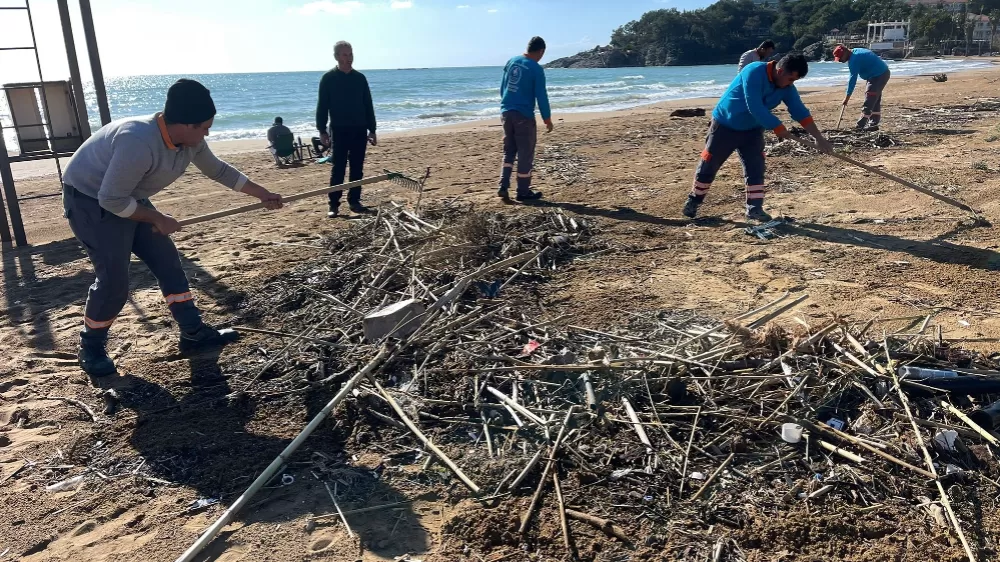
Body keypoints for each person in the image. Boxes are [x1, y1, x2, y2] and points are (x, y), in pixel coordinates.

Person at [61, 79, 284, 377]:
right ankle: (91, 347)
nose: (208, 133)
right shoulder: (138, 141)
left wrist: (261, 193)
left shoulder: (190, 142)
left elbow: (218, 170)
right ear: (186, 125)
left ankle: (192, 331)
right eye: (204, 127)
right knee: (114, 282)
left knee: (167, 262)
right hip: (90, 200)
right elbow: (110, 200)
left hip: (127, 196)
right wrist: (156, 218)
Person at [683, 54, 834, 222]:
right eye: (790, 79)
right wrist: (777, 127)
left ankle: (755, 208)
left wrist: (819, 138)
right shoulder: (754, 71)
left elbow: (800, 112)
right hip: (725, 125)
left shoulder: (787, 88)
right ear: (780, 70)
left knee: (756, 167)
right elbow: (754, 105)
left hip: (753, 130)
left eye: (794, 81)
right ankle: (694, 200)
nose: (791, 84)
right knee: (709, 163)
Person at [316, 40, 377, 217]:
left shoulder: (360, 78)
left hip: (359, 129)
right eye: (345, 54)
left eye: (350, 54)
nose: (349, 58)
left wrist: (372, 129)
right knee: (338, 168)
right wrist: (322, 130)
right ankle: (334, 204)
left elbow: (368, 105)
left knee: (357, 168)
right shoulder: (328, 78)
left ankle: (354, 201)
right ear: (336, 56)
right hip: (339, 129)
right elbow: (322, 106)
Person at [498, 36, 552, 202]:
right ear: (541, 51)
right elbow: (541, 95)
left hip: (506, 112)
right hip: (524, 115)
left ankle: (503, 185)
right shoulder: (536, 68)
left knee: (509, 150)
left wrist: (505, 105)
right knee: (525, 153)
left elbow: (503, 86)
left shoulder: (512, 61)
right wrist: (547, 118)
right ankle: (523, 191)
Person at [833, 45, 890, 131]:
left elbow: (852, 79)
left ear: (845, 52)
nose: (841, 61)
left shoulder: (854, 59)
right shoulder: (855, 52)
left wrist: (847, 98)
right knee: (874, 100)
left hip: (878, 76)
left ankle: (860, 126)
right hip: (880, 74)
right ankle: (873, 124)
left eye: (840, 58)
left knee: (869, 100)